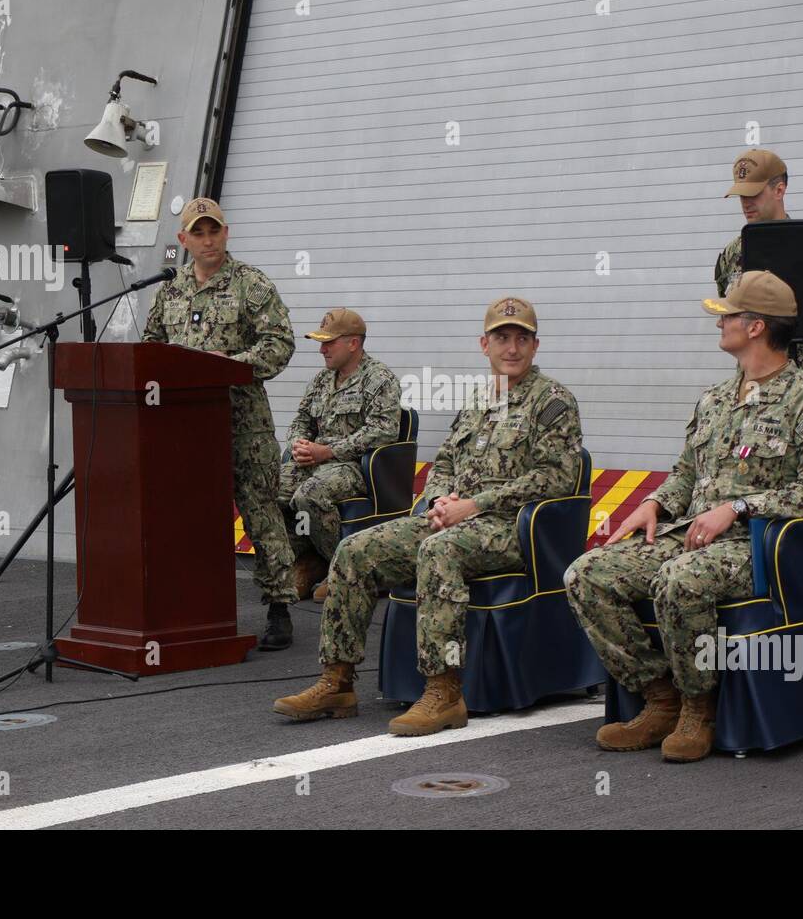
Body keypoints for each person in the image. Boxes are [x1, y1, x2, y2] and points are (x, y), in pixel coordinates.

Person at [564, 271, 803, 762]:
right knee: (587, 573)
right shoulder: (716, 399)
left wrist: (738, 508)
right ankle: (659, 697)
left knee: (681, 579)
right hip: (694, 534)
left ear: (756, 326)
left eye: (728, 316)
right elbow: (686, 472)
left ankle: (699, 707)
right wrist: (653, 504)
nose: (719, 323)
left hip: (760, 546)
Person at [273, 296, 583, 736]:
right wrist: (437, 503)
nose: (511, 348)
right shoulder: (479, 399)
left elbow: (557, 477)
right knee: (356, 550)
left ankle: (444, 691)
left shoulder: (553, 402)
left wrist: (474, 505)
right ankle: (336, 681)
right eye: (502, 338)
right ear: (484, 345)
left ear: (535, 346)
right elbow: (445, 463)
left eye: (521, 339)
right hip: (454, 518)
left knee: (439, 552)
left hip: (510, 528)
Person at [141, 198, 298, 651]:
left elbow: (279, 344)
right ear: (183, 240)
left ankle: (280, 608)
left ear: (226, 233)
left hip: (243, 424)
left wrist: (229, 366)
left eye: (215, 231)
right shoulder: (170, 291)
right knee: (189, 517)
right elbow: (152, 347)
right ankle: (193, 606)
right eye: (199, 233)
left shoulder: (251, 285)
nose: (208, 240)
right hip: (186, 429)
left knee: (262, 513)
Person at [714, 148, 803, 618]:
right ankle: (750, 575)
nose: (747, 204)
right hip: (752, 385)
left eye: (755, 194)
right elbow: (730, 313)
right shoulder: (734, 254)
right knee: (747, 474)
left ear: (780, 188)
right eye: (740, 196)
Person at [281, 308, 401, 601]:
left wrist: (329, 451)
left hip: (353, 466)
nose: (322, 350)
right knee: (268, 489)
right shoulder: (322, 380)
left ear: (353, 343)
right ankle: (307, 561)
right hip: (315, 461)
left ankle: (345, 569)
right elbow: (301, 420)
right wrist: (299, 443)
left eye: (329, 342)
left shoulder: (379, 379)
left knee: (309, 494)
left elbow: (384, 430)